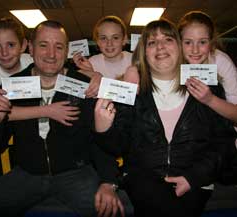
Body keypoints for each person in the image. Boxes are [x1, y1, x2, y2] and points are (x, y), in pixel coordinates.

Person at [0, 20, 133, 217]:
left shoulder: (85, 85)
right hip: (27, 173)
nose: (51, 54)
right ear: (31, 49)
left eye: (59, 47)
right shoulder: (11, 87)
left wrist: (108, 182)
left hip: (76, 174)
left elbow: (100, 140)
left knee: (121, 211)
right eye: (43, 45)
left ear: (66, 51)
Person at [94, 19, 235, 217]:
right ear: (144, 53)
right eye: (151, 42)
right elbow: (116, 147)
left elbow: (224, 143)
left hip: (196, 178)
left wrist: (193, 177)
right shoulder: (129, 89)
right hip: (144, 179)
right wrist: (102, 129)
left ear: (179, 46)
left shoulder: (208, 88)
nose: (160, 46)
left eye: (167, 39)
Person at [177, 11, 237, 124]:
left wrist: (210, 99)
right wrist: (134, 70)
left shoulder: (221, 61)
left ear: (211, 42)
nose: (195, 50)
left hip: (218, 133)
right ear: (179, 43)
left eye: (202, 42)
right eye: (188, 42)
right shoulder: (173, 60)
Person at [73, 15, 132, 97]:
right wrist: (89, 73)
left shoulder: (134, 60)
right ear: (97, 41)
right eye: (103, 38)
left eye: (115, 38)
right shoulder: (92, 62)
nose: (109, 43)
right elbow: (80, 92)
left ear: (124, 40)